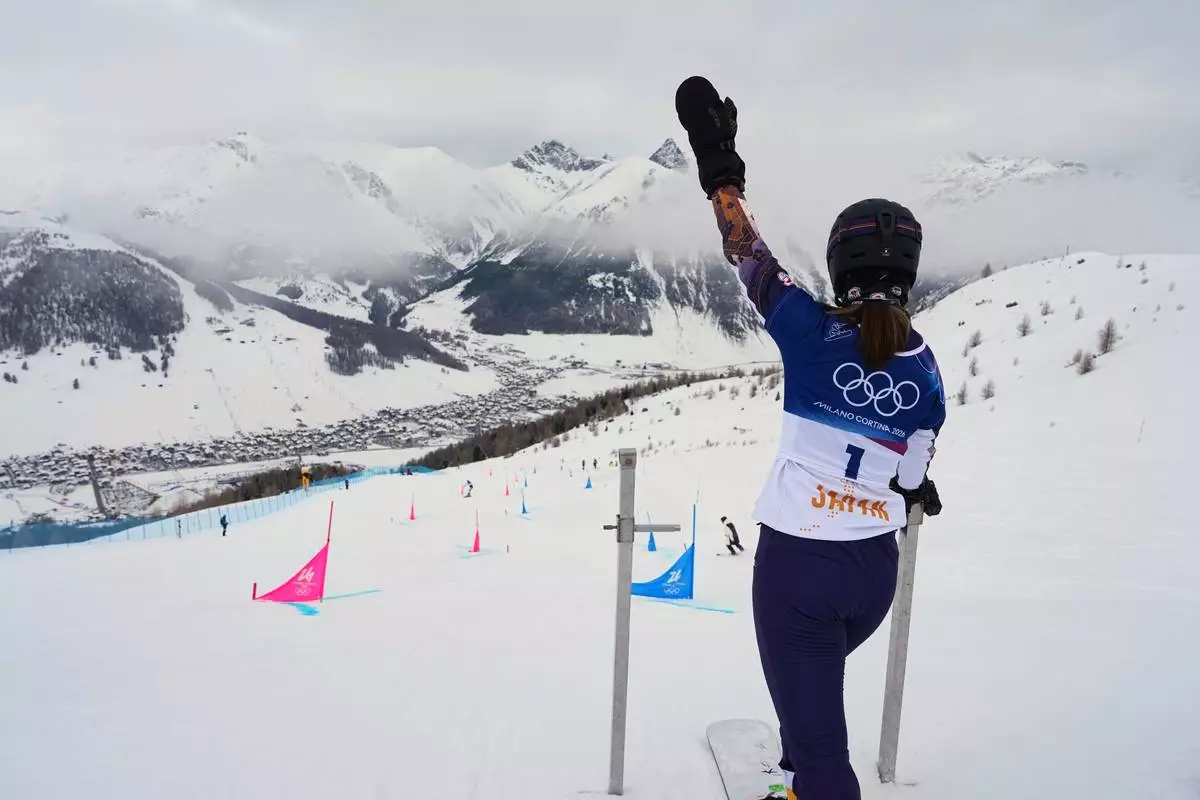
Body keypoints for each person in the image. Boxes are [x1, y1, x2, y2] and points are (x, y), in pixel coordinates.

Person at [676, 76, 945, 800]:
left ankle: (811, 779)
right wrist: (917, 486)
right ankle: (798, 774)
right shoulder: (927, 369)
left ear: (841, 266)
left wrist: (720, 174)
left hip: (799, 570)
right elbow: (917, 468)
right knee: (812, 705)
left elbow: (746, 254)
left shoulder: (809, 332)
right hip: (873, 574)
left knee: (828, 752)